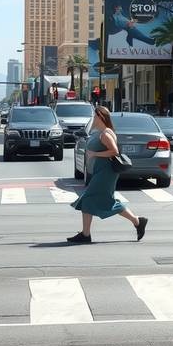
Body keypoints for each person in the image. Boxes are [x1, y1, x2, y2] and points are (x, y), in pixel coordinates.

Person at [68, 105, 148, 244]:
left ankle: (86, 234)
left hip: (106, 173)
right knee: (101, 200)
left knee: (90, 199)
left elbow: (114, 151)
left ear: (100, 117)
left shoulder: (105, 133)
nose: (93, 119)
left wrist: (95, 154)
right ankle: (136, 221)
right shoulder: (100, 132)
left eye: (94, 116)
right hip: (101, 171)